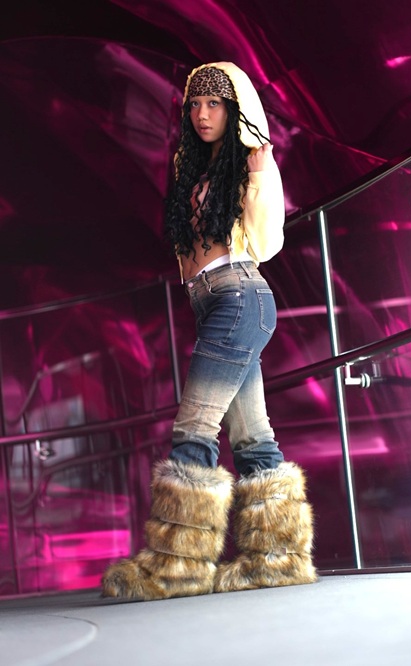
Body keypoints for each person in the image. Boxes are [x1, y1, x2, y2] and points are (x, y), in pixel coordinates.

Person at [102, 62, 317, 600]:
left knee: (195, 426)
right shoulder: (196, 170)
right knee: (252, 436)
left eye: (214, 103)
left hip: (240, 297)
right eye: (195, 104)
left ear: (235, 108)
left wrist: (261, 173)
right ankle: (277, 559)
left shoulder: (250, 164)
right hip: (216, 302)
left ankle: (176, 567)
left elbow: (265, 243)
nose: (202, 113)